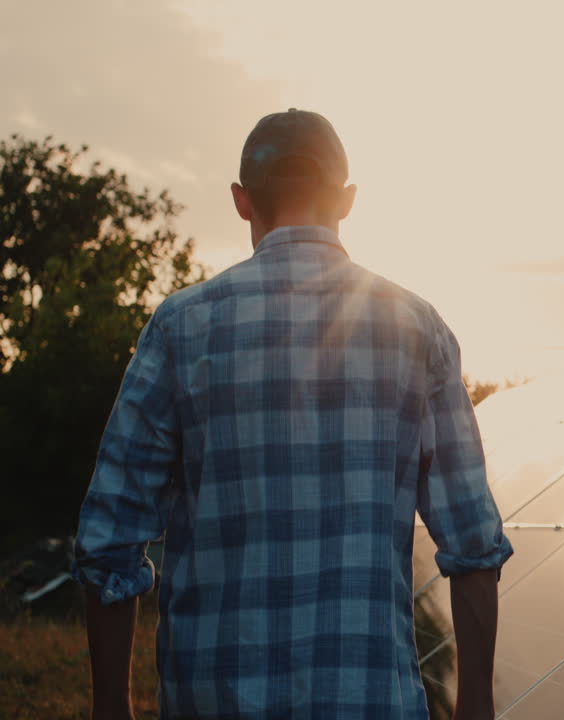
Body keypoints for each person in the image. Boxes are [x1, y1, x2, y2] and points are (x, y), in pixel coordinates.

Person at [72, 108, 513, 720]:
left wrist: (110, 708)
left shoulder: (180, 327)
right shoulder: (417, 329)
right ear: (348, 200)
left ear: (241, 200)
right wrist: (477, 706)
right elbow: (473, 544)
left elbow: (108, 540)